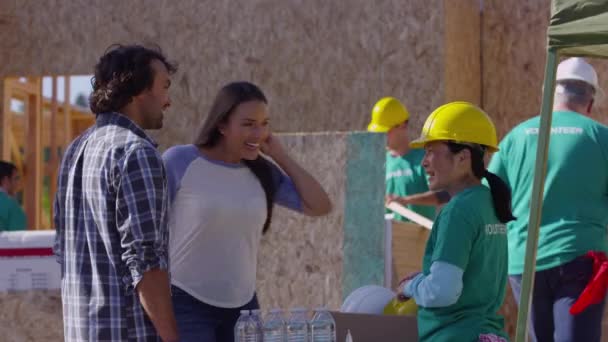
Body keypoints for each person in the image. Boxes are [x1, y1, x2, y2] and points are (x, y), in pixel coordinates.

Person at [163, 81, 332, 342]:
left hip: (244, 308)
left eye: (265, 124)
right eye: (249, 124)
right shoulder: (180, 161)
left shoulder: (263, 172)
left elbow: (320, 205)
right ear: (221, 125)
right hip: (187, 304)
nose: (259, 133)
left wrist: (281, 156)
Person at [53, 44, 179, 342]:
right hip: (128, 333)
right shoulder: (136, 153)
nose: (168, 101)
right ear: (137, 91)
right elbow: (147, 263)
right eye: (164, 87)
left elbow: (64, 250)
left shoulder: (75, 150)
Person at [488, 57, 608, 342]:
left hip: (524, 263)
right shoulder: (600, 138)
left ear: (548, 94)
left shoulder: (515, 138)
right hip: (580, 260)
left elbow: (490, 197)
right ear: (590, 101)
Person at [392, 101, 515, 341]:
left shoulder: (458, 210)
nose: (424, 162)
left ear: (463, 157)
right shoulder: (488, 202)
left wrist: (411, 286)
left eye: (431, 151)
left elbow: (443, 291)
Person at [367, 97, 449, 222]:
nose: (382, 137)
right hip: (390, 238)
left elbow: (444, 194)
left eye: (385, 131)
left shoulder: (424, 159)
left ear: (403, 126)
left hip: (420, 237)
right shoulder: (381, 164)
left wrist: (406, 200)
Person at [0, 161, 26, 231]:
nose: (19, 183)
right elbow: (18, 238)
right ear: (5, 180)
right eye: (16, 178)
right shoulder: (11, 206)